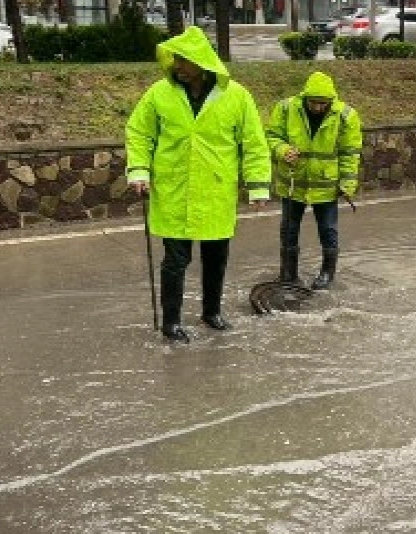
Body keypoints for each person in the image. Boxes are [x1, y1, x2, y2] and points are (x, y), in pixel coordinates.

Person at [126, 27, 271, 344]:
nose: (176, 65)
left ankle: (211, 312)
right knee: (175, 261)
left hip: (215, 191)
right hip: (173, 190)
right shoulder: (159, 94)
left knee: (216, 257)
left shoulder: (236, 96)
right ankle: (171, 321)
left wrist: (258, 185)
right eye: (175, 59)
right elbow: (139, 133)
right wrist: (139, 170)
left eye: (183, 60)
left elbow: (254, 144)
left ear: (201, 61)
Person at [266, 72, 363, 290]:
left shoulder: (346, 116)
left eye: (323, 103)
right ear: (305, 97)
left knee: (328, 229)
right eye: (313, 103)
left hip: (326, 185)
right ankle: (288, 273)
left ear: (331, 100)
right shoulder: (286, 108)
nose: (318, 107)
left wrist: (347, 184)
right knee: (289, 229)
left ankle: (327, 272)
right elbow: (271, 136)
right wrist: (282, 150)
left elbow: (350, 152)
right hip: (293, 183)